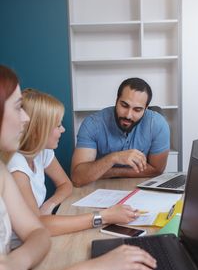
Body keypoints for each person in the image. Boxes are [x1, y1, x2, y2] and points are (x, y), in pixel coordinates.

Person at [0, 65, 156, 270]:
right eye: (18, 107)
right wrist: (98, 266)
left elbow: (39, 231)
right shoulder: (14, 168)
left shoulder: (4, 172)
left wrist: (19, 261)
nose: (26, 118)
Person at [7, 89, 140, 242]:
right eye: (58, 125)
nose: (63, 130)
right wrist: (103, 216)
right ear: (39, 130)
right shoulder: (16, 166)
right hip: (16, 248)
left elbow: (65, 184)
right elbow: (38, 226)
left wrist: (48, 205)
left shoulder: (41, 152)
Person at [71, 77, 170, 187]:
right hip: (98, 189)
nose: (128, 115)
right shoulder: (92, 124)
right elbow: (77, 178)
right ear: (116, 100)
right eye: (124, 105)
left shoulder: (158, 124)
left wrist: (112, 172)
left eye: (137, 109)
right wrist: (114, 158)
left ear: (146, 109)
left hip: (139, 189)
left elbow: (157, 170)